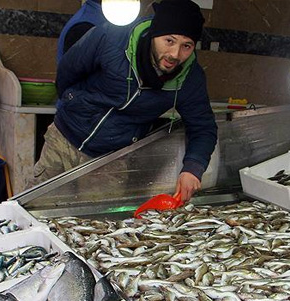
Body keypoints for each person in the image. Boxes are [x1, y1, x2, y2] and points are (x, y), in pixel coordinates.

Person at [34, 0, 217, 203]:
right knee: (35, 208)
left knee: (97, 219)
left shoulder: (191, 78)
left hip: (112, 160)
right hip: (63, 140)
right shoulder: (111, 37)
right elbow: (67, 71)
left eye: (186, 46)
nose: (175, 54)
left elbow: (203, 128)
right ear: (155, 33)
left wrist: (193, 168)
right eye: (169, 41)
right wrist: (73, 104)